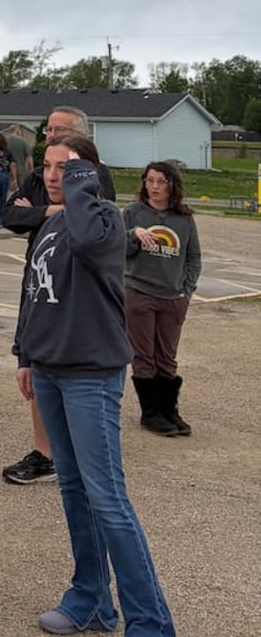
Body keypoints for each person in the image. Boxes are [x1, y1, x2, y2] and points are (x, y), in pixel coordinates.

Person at [15, 132, 177, 637]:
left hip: (92, 373)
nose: (55, 174)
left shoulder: (103, 220)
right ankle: (89, 597)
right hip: (52, 368)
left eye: (68, 167)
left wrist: (85, 183)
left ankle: (150, 629)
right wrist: (25, 353)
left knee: (108, 498)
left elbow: (87, 242)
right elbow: (32, 290)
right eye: (49, 166)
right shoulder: (53, 221)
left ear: (90, 173)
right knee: (73, 489)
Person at [0, 105, 117, 485]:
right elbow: (10, 215)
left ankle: (75, 447)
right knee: (35, 363)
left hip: (76, 289)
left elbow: (93, 223)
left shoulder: (98, 177)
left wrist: (44, 211)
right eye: (48, 129)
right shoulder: (40, 176)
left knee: (69, 371)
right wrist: (50, 211)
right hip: (40, 274)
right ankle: (44, 452)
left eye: (60, 130)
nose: (50, 135)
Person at [122, 161, 201, 437]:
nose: (154, 187)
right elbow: (116, 249)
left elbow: (193, 258)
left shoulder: (184, 218)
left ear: (172, 186)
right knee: (144, 356)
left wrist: (186, 291)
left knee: (167, 356)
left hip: (172, 298)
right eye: (150, 180)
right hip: (139, 294)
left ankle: (170, 410)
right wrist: (133, 235)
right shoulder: (132, 213)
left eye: (161, 182)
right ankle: (151, 413)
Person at [5, 123, 33, 191]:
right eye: (20, 130)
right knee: (22, 191)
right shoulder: (23, 142)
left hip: (6, 170)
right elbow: (29, 157)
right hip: (21, 170)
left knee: (8, 192)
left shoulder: (5, 141)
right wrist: (31, 169)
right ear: (17, 131)